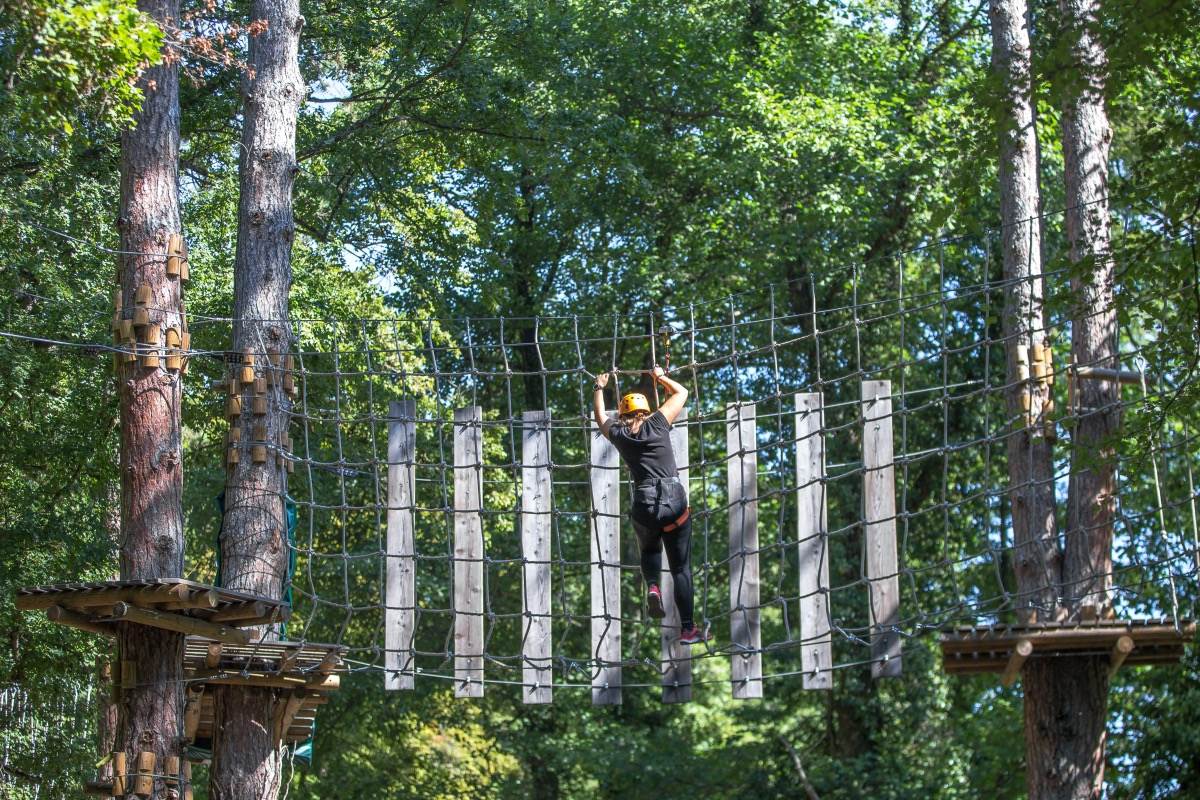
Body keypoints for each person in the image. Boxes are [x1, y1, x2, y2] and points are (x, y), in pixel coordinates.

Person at [592, 366, 710, 645]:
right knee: (681, 568)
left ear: (623, 414)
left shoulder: (620, 434)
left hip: (644, 504)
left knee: (649, 547)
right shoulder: (658, 422)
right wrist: (660, 377)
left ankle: (653, 585)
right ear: (647, 410)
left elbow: (599, 417)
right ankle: (688, 628)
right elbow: (681, 392)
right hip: (674, 502)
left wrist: (599, 387)